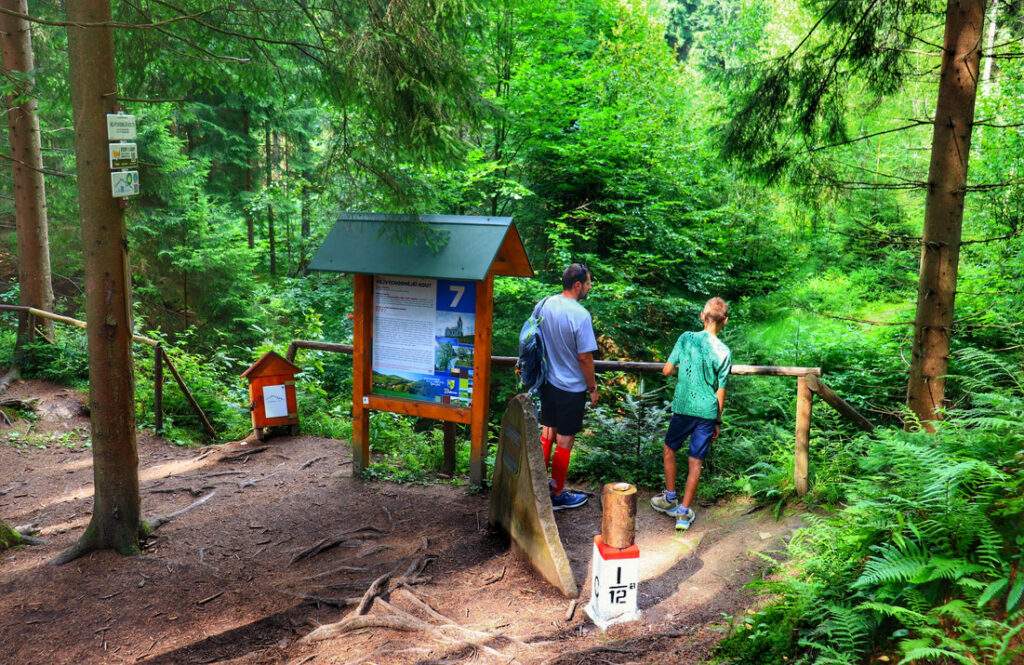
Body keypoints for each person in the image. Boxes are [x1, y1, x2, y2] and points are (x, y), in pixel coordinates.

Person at [651, 297, 732, 530]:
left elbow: (667, 370)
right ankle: (683, 514)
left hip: (683, 407)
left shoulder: (686, 339)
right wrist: (717, 420)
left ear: (702, 316)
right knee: (695, 462)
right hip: (707, 413)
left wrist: (685, 370)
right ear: (724, 321)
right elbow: (721, 390)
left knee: (669, 449)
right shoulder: (724, 351)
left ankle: (669, 497)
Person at [537, 263, 599, 511]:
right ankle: (557, 493)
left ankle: (538, 487)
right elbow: (585, 357)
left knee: (547, 433)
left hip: (547, 381)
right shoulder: (580, 315)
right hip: (570, 387)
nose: (590, 286)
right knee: (564, 440)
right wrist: (592, 387)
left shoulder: (544, 304)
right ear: (577, 285)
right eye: (588, 282)